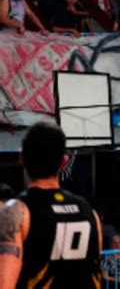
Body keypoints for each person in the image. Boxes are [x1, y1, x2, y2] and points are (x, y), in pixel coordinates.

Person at [0, 122, 102, 288]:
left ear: (22, 157)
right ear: (64, 161)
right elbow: (94, 273)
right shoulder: (89, 212)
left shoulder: (15, 212)